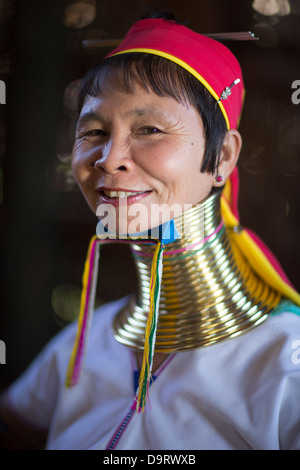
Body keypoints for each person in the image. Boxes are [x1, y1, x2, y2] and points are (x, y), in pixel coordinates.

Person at [1, 13, 300, 450]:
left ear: (222, 157)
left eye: (149, 129)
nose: (108, 158)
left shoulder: (283, 363)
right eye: (95, 131)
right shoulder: (84, 344)